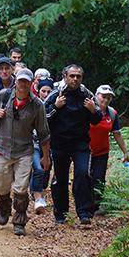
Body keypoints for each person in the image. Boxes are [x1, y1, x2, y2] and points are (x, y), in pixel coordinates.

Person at [0, 68, 51, 236]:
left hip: (24, 150)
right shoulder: (4, 95)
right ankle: (4, 207)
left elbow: (44, 133)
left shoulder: (37, 105)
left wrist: (46, 157)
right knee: (0, 186)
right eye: (20, 81)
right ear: (16, 81)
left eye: (26, 82)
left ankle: (19, 220)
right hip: (1, 147)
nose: (23, 84)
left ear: (31, 84)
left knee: (21, 188)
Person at [44, 64, 102, 226]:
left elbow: (97, 119)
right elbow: (43, 117)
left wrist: (92, 111)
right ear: (65, 77)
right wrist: (56, 107)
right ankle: (60, 214)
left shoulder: (87, 94)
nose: (75, 79)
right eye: (72, 76)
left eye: (78, 76)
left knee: (83, 174)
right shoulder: (57, 94)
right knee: (60, 178)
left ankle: (84, 213)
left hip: (80, 143)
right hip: (60, 143)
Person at [90, 84, 129, 216]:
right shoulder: (88, 109)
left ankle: (95, 206)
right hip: (85, 151)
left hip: (102, 151)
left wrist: (125, 152)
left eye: (109, 97)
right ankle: (83, 204)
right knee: (84, 177)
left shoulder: (112, 114)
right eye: (103, 96)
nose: (106, 100)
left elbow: (117, 133)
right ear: (96, 96)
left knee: (99, 178)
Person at [30, 77, 55, 213]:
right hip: (33, 142)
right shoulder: (33, 103)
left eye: (48, 91)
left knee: (46, 170)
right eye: (43, 91)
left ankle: (37, 191)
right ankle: (37, 196)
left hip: (50, 143)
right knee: (38, 168)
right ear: (38, 91)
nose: (46, 94)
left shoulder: (56, 104)